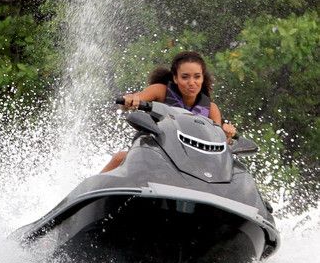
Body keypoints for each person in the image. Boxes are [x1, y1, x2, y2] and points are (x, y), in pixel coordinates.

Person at [101, 50, 237, 172]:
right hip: (155, 154)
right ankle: (90, 191)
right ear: (175, 78)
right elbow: (134, 100)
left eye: (197, 77)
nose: (191, 82)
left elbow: (218, 144)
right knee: (120, 158)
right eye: (185, 77)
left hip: (195, 166)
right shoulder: (160, 91)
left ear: (202, 78)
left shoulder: (211, 109)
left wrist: (227, 135)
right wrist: (130, 100)